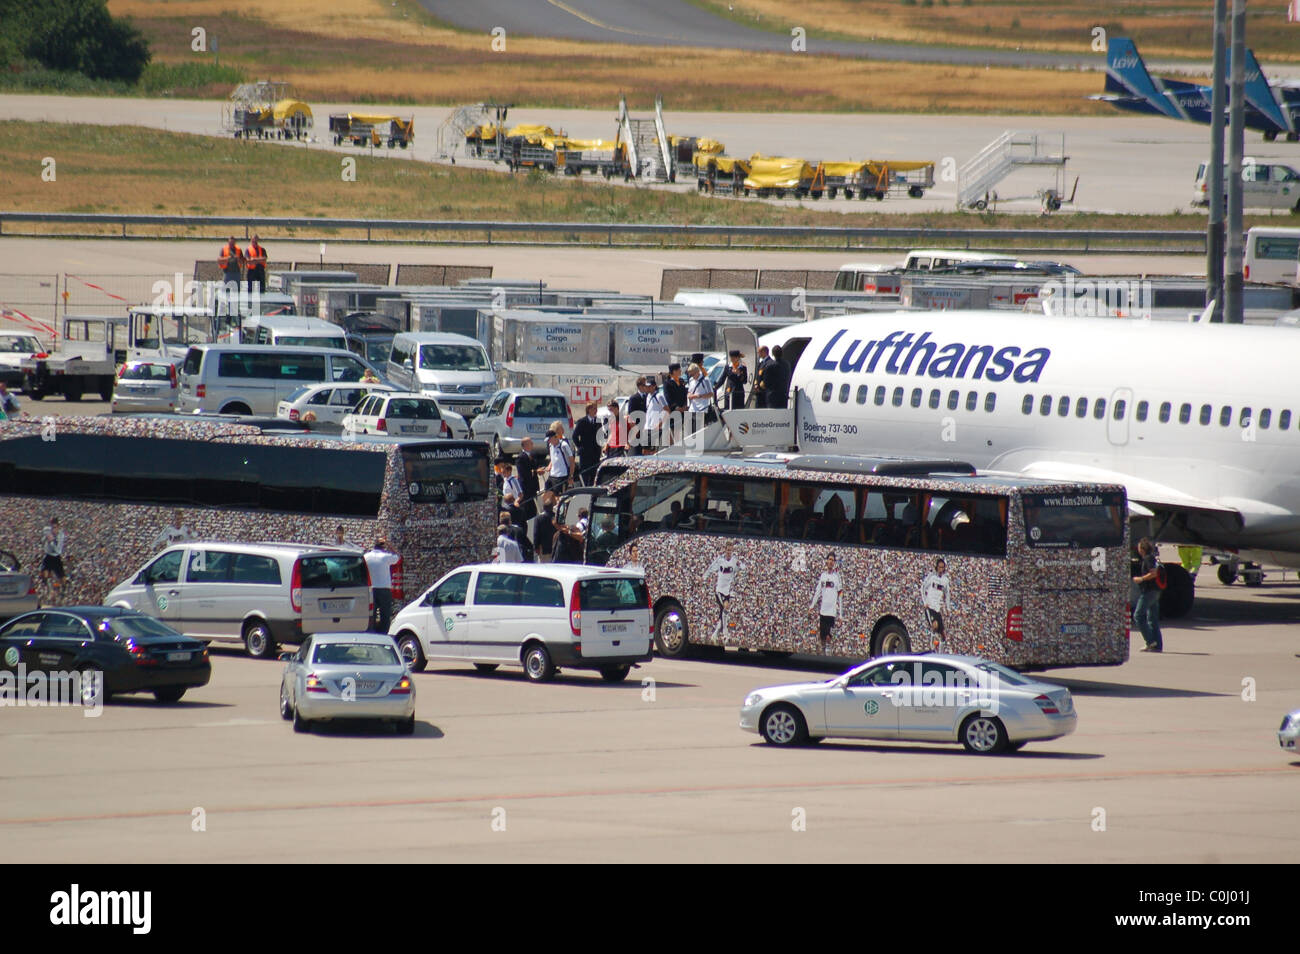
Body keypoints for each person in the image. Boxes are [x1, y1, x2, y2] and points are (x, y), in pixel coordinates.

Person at [1132, 537, 1163, 652]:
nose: (1138, 549)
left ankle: (1150, 641)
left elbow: (1153, 573)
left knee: (1138, 616)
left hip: (1149, 592)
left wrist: (1141, 579)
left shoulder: (1148, 559)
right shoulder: (1153, 558)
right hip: (1156, 591)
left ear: (1142, 549)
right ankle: (1157, 645)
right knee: (1152, 619)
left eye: (1139, 547)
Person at [705, 541, 740, 640]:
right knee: (726, 607)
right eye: (727, 550)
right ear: (725, 550)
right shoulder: (720, 560)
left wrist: (740, 565)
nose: (729, 552)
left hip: (727, 591)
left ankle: (715, 634)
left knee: (723, 612)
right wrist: (704, 577)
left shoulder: (734, 560)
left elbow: (741, 568)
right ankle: (725, 632)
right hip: (719, 590)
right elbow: (711, 568)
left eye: (730, 550)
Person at [364, 539, 402, 632]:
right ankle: (384, 633)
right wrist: (391, 547)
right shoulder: (386, 556)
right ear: (383, 547)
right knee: (385, 614)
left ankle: (371, 632)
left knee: (371, 614)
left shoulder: (366, 557)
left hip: (370, 589)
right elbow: (398, 557)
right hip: (384, 589)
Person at [810, 555, 842, 642]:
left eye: (833, 560)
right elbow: (818, 591)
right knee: (822, 637)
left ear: (834, 563)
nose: (831, 561)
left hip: (831, 613)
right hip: (823, 611)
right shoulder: (823, 576)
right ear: (826, 561)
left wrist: (841, 615)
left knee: (829, 637)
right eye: (829, 559)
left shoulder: (837, 577)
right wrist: (812, 606)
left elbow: (840, 594)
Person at [572, 401, 602, 485]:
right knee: (585, 475)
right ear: (588, 410)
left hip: (595, 453)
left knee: (594, 475)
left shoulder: (598, 421)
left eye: (596, 408)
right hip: (585, 453)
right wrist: (580, 447)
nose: (595, 410)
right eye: (593, 408)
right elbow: (574, 436)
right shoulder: (582, 421)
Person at [537, 425, 574, 494]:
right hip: (552, 475)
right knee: (547, 493)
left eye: (549, 439)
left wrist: (571, 475)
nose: (548, 442)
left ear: (555, 437)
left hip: (562, 475)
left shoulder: (563, 445)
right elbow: (553, 458)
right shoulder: (550, 446)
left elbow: (571, 460)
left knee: (558, 496)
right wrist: (549, 466)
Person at [920, 557, 952, 636]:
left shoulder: (945, 580)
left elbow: (947, 594)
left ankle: (939, 646)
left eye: (942, 567)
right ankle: (930, 643)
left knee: (943, 634)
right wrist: (925, 602)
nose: (941, 569)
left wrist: (948, 608)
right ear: (936, 568)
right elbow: (923, 588)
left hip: (937, 608)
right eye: (939, 567)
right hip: (930, 606)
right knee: (935, 625)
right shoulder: (932, 577)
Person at [39, 516, 67, 597]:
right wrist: (47, 538)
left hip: (56, 556)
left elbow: (58, 549)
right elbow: (44, 537)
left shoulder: (61, 535)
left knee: (61, 574)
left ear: (58, 526)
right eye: (52, 526)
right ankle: (46, 585)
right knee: (44, 571)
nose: (53, 528)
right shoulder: (47, 530)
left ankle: (64, 587)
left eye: (55, 527)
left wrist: (51, 541)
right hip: (48, 555)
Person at [662, 363, 688, 445]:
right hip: (674, 411)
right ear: (673, 371)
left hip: (683, 410)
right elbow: (668, 397)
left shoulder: (681, 382)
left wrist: (684, 405)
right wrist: (676, 407)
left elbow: (684, 394)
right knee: (673, 431)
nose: (680, 371)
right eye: (678, 370)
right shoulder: (667, 383)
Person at [515, 437, 540, 521]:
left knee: (534, 508)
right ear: (525, 446)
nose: (532, 444)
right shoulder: (520, 458)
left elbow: (535, 466)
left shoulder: (532, 455)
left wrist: (537, 470)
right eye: (530, 443)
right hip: (526, 488)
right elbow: (523, 474)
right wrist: (535, 471)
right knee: (528, 509)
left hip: (533, 486)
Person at [686, 362, 715, 434]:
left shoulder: (705, 380)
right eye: (690, 375)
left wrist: (699, 396)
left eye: (692, 374)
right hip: (692, 408)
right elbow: (690, 391)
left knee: (698, 430)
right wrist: (689, 395)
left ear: (697, 372)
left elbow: (711, 394)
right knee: (690, 430)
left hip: (702, 408)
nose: (692, 376)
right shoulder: (691, 380)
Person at [624, 377, 648, 455]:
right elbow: (631, 416)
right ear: (640, 386)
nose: (646, 387)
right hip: (638, 429)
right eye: (644, 385)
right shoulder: (634, 398)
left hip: (648, 428)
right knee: (637, 451)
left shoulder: (648, 397)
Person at [644, 376, 668, 451]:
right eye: (646, 386)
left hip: (655, 427)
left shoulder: (659, 396)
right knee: (645, 450)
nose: (647, 388)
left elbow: (667, 411)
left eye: (649, 386)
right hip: (648, 427)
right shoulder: (648, 396)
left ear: (654, 386)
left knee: (652, 450)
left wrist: (659, 424)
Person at [534, 491, 558, 561]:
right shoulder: (556, 517)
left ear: (543, 507)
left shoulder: (538, 518)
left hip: (544, 549)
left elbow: (536, 533)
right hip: (555, 547)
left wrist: (536, 547)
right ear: (552, 507)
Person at [766, 344, 791, 410]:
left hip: (773, 397)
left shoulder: (770, 365)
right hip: (784, 394)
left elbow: (766, 382)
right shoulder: (787, 364)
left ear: (772, 354)